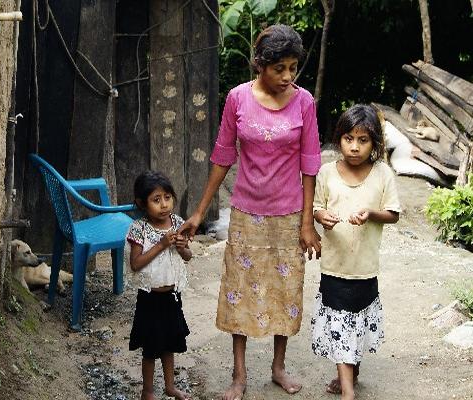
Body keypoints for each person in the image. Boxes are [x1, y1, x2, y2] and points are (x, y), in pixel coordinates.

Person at [178, 24, 322, 399]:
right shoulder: (238, 98)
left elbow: (310, 164)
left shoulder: (304, 101)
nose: (288, 76)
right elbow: (223, 155)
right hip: (246, 214)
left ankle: (278, 367)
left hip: (289, 215)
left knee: (285, 291)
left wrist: (308, 222)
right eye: (280, 68)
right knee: (239, 292)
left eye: (293, 67)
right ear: (261, 64)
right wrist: (199, 211)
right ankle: (239, 375)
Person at [311, 104, 401, 400]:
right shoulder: (326, 172)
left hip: (364, 267)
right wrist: (321, 216)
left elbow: (393, 213)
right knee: (339, 325)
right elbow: (316, 206)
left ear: (374, 143)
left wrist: (371, 214)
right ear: (339, 139)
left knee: (357, 324)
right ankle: (348, 391)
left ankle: (352, 372)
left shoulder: (382, 173)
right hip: (335, 267)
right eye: (349, 138)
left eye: (363, 140)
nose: (354, 147)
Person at [126, 171, 193, 400]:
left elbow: (187, 256)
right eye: (156, 200)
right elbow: (135, 264)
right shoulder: (139, 228)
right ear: (141, 204)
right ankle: (148, 391)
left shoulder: (177, 223)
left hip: (172, 296)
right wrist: (162, 245)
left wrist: (183, 246)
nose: (164, 205)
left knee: (170, 342)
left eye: (167, 197)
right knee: (151, 346)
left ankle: (170, 386)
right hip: (150, 298)